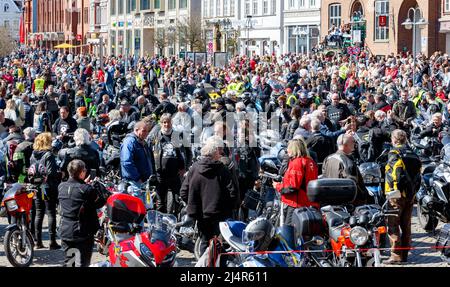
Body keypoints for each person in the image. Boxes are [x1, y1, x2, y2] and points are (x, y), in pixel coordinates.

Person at [180, 136, 238, 254]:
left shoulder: (194, 168)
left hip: (201, 214)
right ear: (215, 152)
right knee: (218, 243)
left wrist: (193, 204)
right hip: (219, 213)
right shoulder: (222, 169)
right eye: (220, 150)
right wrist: (230, 208)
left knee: (205, 241)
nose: (222, 153)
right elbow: (233, 192)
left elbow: (183, 192)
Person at [58, 159, 107, 267]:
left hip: (66, 229)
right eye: (84, 170)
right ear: (81, 173)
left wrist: (84, 184)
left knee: (69, 262)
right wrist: (93, 186)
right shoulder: (87, 189)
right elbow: (100, 203)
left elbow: (75, 194)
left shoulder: (61, 187)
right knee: (83, 263)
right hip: (82, 231)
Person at [384, 129, 422, 265]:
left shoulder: (394, 153)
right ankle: (405, 254)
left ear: (394, 140)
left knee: (393, 224)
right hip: (410, 195)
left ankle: (395, 255)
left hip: (396, 195)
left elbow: (394, 175)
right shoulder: (414, 154)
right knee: (406, 225)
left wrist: (394, 191)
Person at [273, 138, 319, 226]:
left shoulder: (297, 163)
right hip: (308, 203)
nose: (287, 150)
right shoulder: (310, 161)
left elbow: (293, 187)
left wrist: (278, 186)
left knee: (289, 232)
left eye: (289, 148)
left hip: (296, 204)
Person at [28, 132, 61, 250]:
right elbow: (51, 173)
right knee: (51, 213)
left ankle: (38, 242)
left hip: (37, 187)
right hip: (47, 187)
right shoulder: (48, 155)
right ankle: (52, 242)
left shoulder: (32, 155)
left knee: (38, 213)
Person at [148, 114, 186, 214]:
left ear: (171, 123)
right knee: (160, 201)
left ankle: (176, 222)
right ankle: (161, 224)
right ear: (161, 123)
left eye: (168, 122)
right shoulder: (155, 136)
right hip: (160, 174)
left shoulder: (177, 135)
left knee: (178, 200)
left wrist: (183, 167)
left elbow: (184, 152)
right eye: (164, 122)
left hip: (175, 174)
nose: (166, 124)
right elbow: (149, 153)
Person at [322, 134, 368, 205]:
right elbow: (352, 185)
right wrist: (364, 197)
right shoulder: (347, 162)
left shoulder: (328, 159)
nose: (355, 144)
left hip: (330, 201)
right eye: (353, 141)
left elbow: (324, 177)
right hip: (345, 204)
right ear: (345, 144)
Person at [120, 121, 156, 185]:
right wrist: (137, 178)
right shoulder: (129, 142)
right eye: (144, 131)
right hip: (134, 183)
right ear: (136, 130)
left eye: (147, 131)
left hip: (144, 182)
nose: (146, 133)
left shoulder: (143, 142)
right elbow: (126, 162)